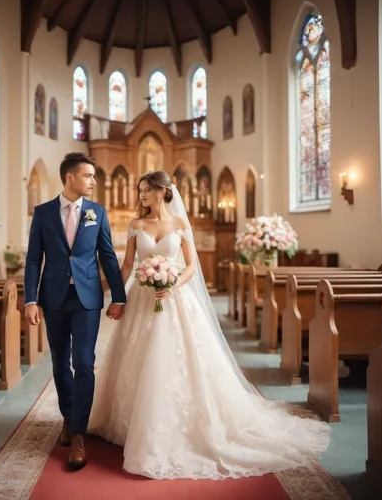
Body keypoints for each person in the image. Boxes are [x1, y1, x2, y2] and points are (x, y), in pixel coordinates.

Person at [87, 170, 330, 480]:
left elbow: (191, 266)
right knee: (134, 358)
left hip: (174, 299)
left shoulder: (180, 224)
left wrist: (172, 283)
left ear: (164, 191)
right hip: (142, 300)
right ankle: (128, 421)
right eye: (140, 191)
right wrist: (117, 298)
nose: (142, 196)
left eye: (147, 190)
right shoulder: (135, 226)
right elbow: (127, 265)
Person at [24, 152, 126, 471]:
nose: (94, 181)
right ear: (70, 177)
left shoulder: (97, 212)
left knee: (83, 362)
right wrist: (29, 300)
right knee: (59, 363)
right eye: (88, 176)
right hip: (53, 298)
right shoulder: (42, 214)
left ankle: (78, 434)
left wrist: (119, 297)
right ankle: (68, 416)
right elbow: (32, 260)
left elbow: (108, 256)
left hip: (87, 299)